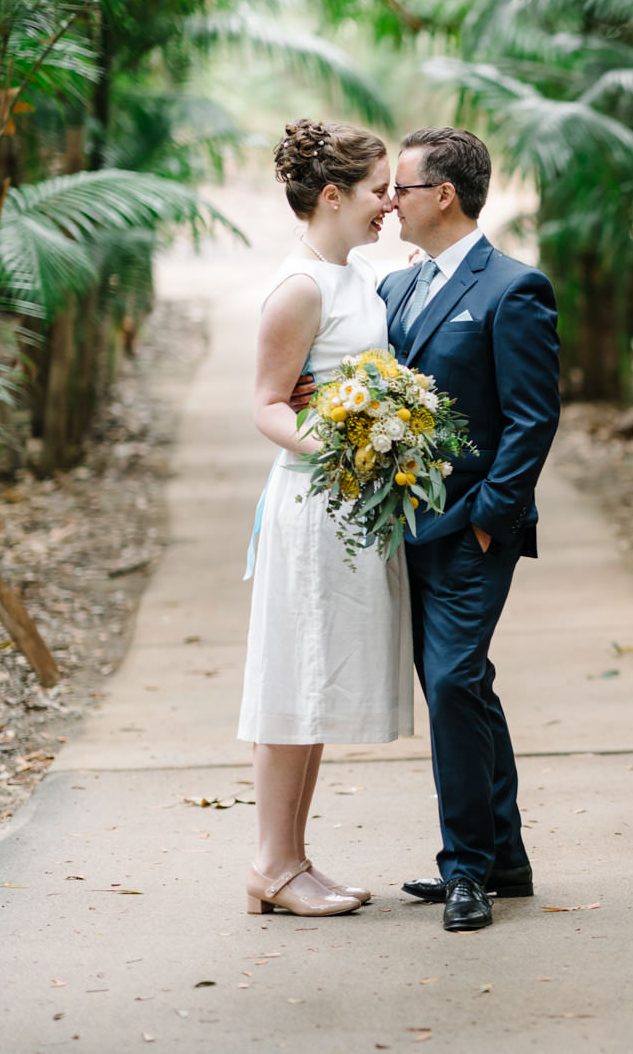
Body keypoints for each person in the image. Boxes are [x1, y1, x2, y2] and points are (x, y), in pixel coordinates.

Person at [379, 127, 561, 932]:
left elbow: (532, 417)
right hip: (402, 530)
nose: (390, 203)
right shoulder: (392, 290)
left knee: (451, 680)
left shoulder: (513, 289)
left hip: (472, 529)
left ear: (442, 196)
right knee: (465, 683)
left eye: (401, 189)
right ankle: (508, 858)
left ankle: (467, 872)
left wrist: (490, 518)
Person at [239, 119, 413, 918]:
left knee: (315, 684)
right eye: (380, 190)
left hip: (349, 504)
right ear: (334, 196)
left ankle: (295, 861)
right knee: (294, 680)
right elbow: (269, 405)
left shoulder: (354, 275)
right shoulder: (301, 285)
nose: (390, 204)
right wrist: (341, 449)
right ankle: (271, 866)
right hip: (313, 504)